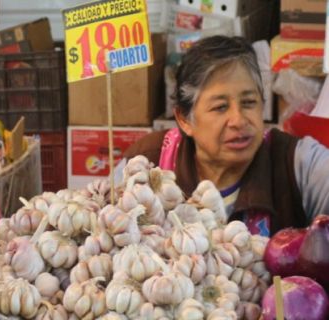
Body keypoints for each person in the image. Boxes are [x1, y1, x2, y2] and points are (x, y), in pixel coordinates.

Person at [123, 35, 329, 236]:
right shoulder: (147, 164)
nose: (238, 120)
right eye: (220, 107)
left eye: (249, 102)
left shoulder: (298, 165)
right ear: (185, 119)